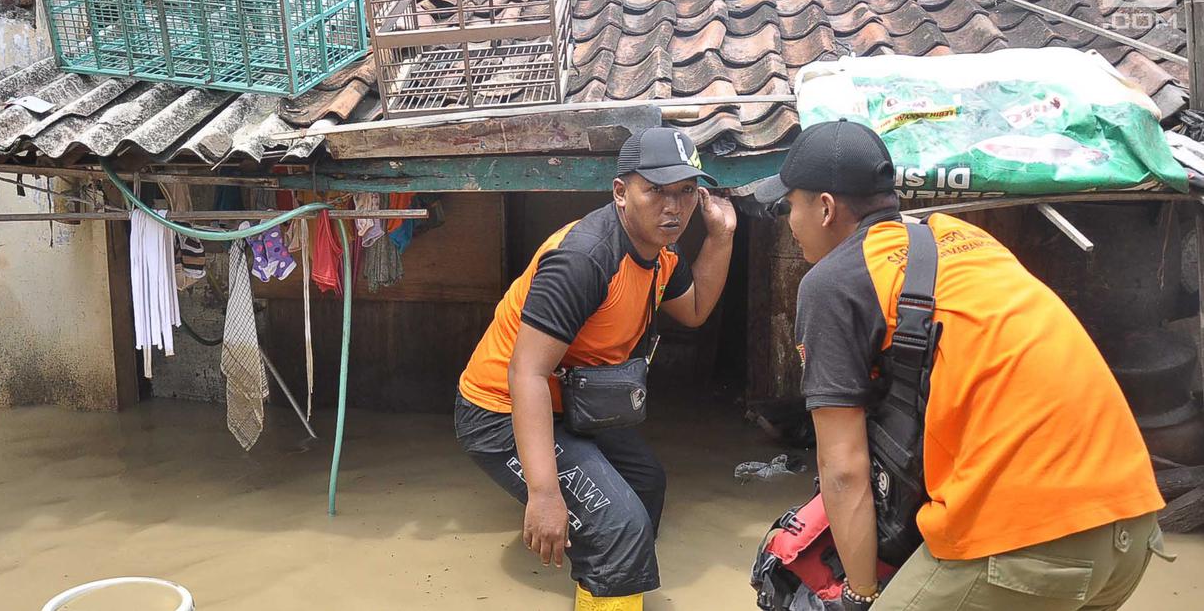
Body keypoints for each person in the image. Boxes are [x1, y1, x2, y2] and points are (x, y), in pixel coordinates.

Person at [752, 119, 1170, 611]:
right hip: (1132, 524)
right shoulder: (963, 242)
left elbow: (843, 468)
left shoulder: (833, 282)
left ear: (824, 208)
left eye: (789, 205)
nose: (787, 220)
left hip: (1027, 541)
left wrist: (858, 594)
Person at [455, 127, 737, 610]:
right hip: (498, 411)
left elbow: (694, 311)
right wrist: (543, 494)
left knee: (645, 483)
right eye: (657, 191)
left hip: (572, 404)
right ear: (621, 193)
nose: (674, 207)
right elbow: (525, 374)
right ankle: (610, 560)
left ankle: (604, 579)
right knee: (618, 523)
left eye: (686, 192)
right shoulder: (584, 260)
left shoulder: (660, 256)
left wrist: (722, 235)